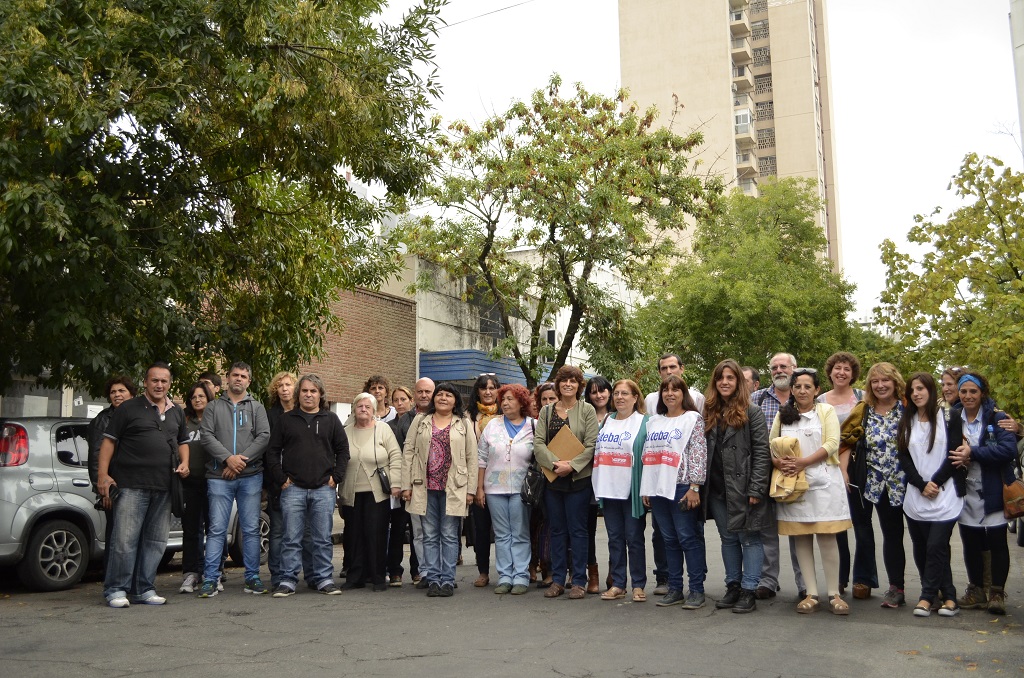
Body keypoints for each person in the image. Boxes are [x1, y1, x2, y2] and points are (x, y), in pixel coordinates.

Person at [96, 362, 190, 607]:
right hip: (131, 484)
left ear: (169, 384)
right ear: (146, 382)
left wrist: (185, 463)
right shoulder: (128, 408)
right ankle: (116, 589)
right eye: (154, 380)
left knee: (155, 541)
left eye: (164, 381)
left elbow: (182, 441)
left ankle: (144, 589)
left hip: (165, 486)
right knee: (124, 540)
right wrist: (103, 475)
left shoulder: (177, 411)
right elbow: (108, 442)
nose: (159, 385)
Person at [770, 368, 852, 615]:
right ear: (792, 390)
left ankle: (834, 594)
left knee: (827, 537)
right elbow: (771, 446)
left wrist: (803, 462)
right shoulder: (783, 415)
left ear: (817, 390)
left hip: (823, 482)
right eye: (797, 386)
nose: (802, 391)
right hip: (793, 484)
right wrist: (779, 463)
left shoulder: (825, 411)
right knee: (801, 538)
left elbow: (832, 443)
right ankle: (811, 593)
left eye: (807, 386)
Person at [266, 375, 349, 597]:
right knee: (291, 538)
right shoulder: (286, 420)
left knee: (322, 539)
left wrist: (336, 477)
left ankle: (324, 579)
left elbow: (343, 450)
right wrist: (281, 478)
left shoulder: (331, 419)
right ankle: (287, 580)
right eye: (304, 391)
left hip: (323, 489)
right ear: (298, 394)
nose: (309, 395)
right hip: (292, 489)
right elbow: (272, 452)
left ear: (320, 394)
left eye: (313, 391)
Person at [701, 359, 770, 613]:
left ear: (739, 381)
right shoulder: (709, 411)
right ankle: (733, 585)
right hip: (717, 488)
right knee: (728, 538)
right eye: (720, 378)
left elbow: (762, 452)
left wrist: (756, 488)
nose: (725, 382)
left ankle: (749, 589)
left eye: (730, 377)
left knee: (749, 537)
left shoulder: (752, 411)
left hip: (743, 487)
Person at [198, 361, 271, 598]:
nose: (238, 379)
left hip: (250, 476)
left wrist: (240, 461)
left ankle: (252, 577)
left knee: (250, 529)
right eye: (235, 375)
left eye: (243, 376)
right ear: (227, 378)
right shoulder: (213, 407)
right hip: (218, 476)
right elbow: (206, 436)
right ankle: (210, 579)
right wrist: (228, 459)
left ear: (249, 381)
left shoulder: (257, 407)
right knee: (217, 529)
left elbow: (263, 437)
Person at [948, 372, 1018, 615]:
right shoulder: (952, 417)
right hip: (965, 490)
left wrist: (973, 453)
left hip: (993, 488)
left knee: (998, 541)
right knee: (971, 542)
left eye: (973, 391)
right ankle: (976, 590)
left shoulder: (997, 418)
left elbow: (1008, 450)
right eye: (963, 391)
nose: (968, 396)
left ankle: (996, 593)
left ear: (982, 393)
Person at [896, 373, 964, 617]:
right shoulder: (906, 419)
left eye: (921, 388)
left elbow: (954, 454)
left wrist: (934, 483)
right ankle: (949, 597)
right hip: (917, 494)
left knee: (936, 545)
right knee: (923, 546)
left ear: (931, 390)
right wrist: (921, 484)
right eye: (912, 390)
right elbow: (904, 457)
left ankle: (926, 597)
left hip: (945, 494)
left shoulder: (949, 416)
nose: (916, 393)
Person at [839, 362, 907, 607]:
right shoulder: (863, 409)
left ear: (895, 382)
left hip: (896, 482)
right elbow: (847, 441)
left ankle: (896, 587)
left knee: (893, 534)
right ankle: (864, 580)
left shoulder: (907, 408)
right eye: (875, 381)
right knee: (863, 530)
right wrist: (843, 471)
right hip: (865, 479)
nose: (880, 385)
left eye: (885, 380)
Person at [401, 382, 477, 597]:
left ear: (455, 401)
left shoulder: (463, 423)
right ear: (434, 399)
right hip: (425, 486)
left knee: (450, 535)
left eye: (448, 395)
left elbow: (472, 457)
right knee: (429, 535)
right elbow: (408, 452)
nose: (443, 398)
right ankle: (433, 579)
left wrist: (471, 490)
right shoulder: (420, 420)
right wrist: (406, 485)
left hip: (454, 488)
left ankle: (448, 580)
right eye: (440, 394)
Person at [640, 374, 708, 609]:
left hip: (682, 487)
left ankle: (696, 590)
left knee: (688, 538)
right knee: (669, 539)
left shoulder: (692, 419)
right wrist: (646, 487)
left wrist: (695, 486)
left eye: (675, 389)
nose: (670, 394)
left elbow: (698, 453)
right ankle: (675, 589)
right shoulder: (654, 421)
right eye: (665, 390)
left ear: (683, 394)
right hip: (657, 488)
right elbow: (648, 455)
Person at [534, 365, 599, 600]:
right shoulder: (547, 411)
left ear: (579, 385)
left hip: (578, 479)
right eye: (564, 380)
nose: (568, 384)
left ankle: (579, 581)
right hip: (553, 481)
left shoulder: (587, 410)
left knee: (578, 530)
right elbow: (538, 443)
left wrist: (571, 465)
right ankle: (558, 580)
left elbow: (592, 444)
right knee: (557, 530)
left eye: (573, 381)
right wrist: (555, 465)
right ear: (558, 384)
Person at [751, 352, 806, 600]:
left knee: (798, 530)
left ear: (794, 368)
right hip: (765, 471)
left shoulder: (804, 398)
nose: (779, 371)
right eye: (774, 367)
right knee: (767, 530)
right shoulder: (757, 398)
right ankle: (768, 581)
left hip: (797, 472)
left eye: (784, 366)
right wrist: (772, 460)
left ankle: (805, 583)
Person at [476, 383, 537, 595]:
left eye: (511, 399)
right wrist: (480, 488)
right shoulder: (492, 425)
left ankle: (521, 576)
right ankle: (504, 576)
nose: (505, 403)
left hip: (522, 489)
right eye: (503, 399)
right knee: (502, 534)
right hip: (494, 488)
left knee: (520, 532)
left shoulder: (533, 425)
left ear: (522, 402)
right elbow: (481, 458)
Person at [593, 379, 650, 603]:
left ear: (635, 397)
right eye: (616, 393)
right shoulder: (607, 420)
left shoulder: (645, 422)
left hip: (631, 491)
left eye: (625, 393)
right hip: (609, 489)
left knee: (634, 538)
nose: (619, 397)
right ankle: (618, 584)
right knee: (615, 539)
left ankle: (638, 584)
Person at [339, 392, 402, 591]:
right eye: (360, 406)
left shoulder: (383, 429)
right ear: (354, 409)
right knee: (354, 535)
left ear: (374, 410)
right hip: (351, 491)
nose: (363, 409)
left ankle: (377, 577)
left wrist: (396, 483)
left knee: (376, 534)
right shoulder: (345, 431)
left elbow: (396, 456)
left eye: (368, 406)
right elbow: (338, 457)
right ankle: (355, 577)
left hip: (378, 492)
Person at [816, 351, 864, 594]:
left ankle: (863, 580)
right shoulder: (820, 400)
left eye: (847, 368)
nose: (841, 372)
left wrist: (845, 467)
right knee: (837, 525)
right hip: (828, 466)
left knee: (862, 525)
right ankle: (840, 579)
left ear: (853, 374)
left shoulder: (863, 398)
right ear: (830, 372)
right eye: (837, 368)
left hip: (859, 466)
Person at [266, 370, 315, 592]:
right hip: (279, 481)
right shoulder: (270, 416)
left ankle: (311, 574)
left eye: (288, 385)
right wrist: (276, 479)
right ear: (275, 390)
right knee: (278, 531)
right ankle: (278, 575)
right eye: (280, 385)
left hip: (304, 481)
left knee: (306, 532)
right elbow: (269, 450)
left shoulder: (305, 413)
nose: (285, 389)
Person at [87, 375, 136, 574]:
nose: (117, 395)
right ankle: (112, 580)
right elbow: (96, 456)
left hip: (136, 483)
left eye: (121, 391)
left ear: (131, 394)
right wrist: (104, 489)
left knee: (132, 537)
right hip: (114, 486)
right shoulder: (102, 420)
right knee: (117, 536)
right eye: (113, 392)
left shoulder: (139, 415)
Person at [392, 377, 434, 588]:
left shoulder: (445, 415)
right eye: (420, 391)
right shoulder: (405, 421)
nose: (424, 395)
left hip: (439, 484)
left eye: (428, 391)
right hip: (415, 484)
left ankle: (441, 572)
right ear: (414, 395)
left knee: (439, 531)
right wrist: (404, 485)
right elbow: (402, 455)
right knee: (418, 532)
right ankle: (424, 572)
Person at [467, 374, 501, 588]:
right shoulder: (468, 417)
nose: (488, 392)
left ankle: (511, 570)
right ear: (477, 391)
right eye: (483, 388)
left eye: (492, 387)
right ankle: (483, 571)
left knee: (505, 529)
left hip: (502, 478)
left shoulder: (506, 414)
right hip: (476, 478)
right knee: (481, 528)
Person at [179, 382, 213, 594]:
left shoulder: (215, 420)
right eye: (194, 397)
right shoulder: (184, 421)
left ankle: (213, 571)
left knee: (213, 528)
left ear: (209, 398)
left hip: (212, 481)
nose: (197, 400)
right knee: (191, 529)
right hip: (189, 482)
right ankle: (191, 572)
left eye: (201, 396)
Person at [583, 375, 613, 593]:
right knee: (587, 530)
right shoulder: (584, 415)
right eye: (593, 392)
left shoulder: (618, 416)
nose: (598, 395)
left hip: (612, 479)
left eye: (602, 390)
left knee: (615, 530)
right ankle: (592, 574)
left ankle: (614, 572)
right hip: (587, 479)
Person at [386, 385, 417, 586]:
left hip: (416, 483)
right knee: (397, 529)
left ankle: (417, 570)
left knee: (416, 531)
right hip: (397, 483)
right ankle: (395, 571)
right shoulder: (388, 426)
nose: (400, 403)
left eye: (403, 399)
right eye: (396, 400)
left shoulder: (418, 422)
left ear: (411, 401)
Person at [530, 382, 558, 587]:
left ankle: (558, 570)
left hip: (563, 477)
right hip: (539, 482)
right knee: (539, 527)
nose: (548, 402)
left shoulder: (567, 419)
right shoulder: (534, 423)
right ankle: (542, 567)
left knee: (556, 526)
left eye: (552, 398)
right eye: (544, 399)